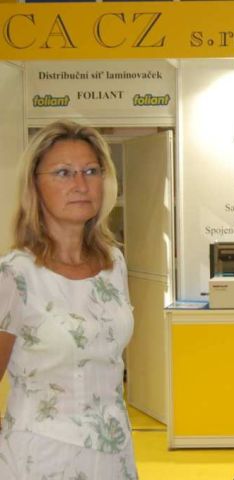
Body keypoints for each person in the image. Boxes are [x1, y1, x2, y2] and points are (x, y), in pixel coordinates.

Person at [0, 120, 138, 479]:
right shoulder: (15, 274)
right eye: (63, 173)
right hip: (42, 457)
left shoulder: (113, 263)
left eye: (91, 171)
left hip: (114, 453)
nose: (80, 184)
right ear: (35, 185)